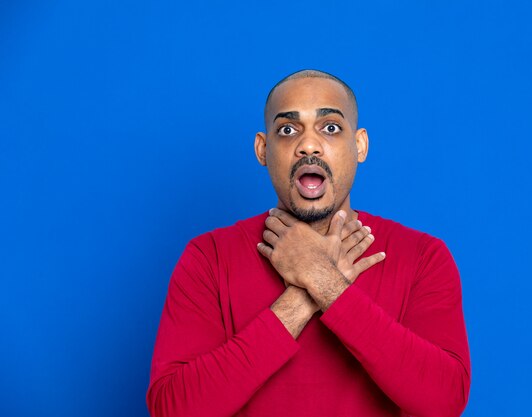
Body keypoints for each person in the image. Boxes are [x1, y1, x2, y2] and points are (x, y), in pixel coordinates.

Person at [146, 70, 471, 417]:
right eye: (288, 130)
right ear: (263, 149)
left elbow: (444, 401)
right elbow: (173, 409)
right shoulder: (208, 257)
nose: (309, 145)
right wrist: (302, 298)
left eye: (330, 127)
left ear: (359, 145)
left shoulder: (423, 257)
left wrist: (326, 283)